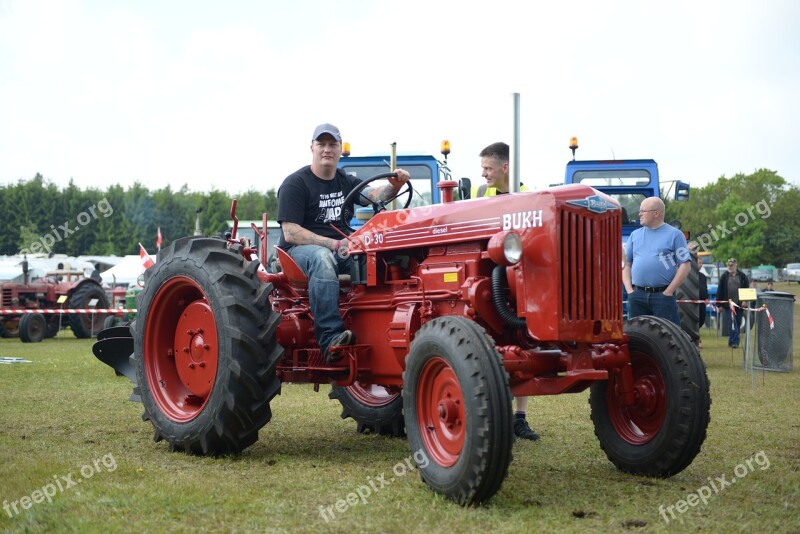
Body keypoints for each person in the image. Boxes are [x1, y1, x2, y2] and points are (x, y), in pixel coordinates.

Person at [276, 123, 410, 363]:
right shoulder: (295, 184)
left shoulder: (344, 180)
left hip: (341, 248)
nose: (327, 149)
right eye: (322, 144)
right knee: (322, 258)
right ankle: (330, 339)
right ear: (312, 148)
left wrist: (394, 185)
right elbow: (291, 232)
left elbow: (373, 195)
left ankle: (384, 330)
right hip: (297, 253)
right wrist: (333, 244)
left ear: (339, 149)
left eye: (332, 144)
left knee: (381, 260)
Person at [473, 142, 537, 442]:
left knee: (519, 340)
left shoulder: (527, 196)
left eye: (488, 168)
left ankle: (519, 419)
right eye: (483, 167)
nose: (483, 173)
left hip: (514, 279)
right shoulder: (479, 194)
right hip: (486, 276)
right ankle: (492, 412)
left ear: (505, 168)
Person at [623, 197, 691, 326]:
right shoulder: (634, 235)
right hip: (637, 296)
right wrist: (629, 290)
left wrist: (669, 291)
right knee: (636, 336)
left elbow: (685, 265)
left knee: (668, 339)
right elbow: (626, 264)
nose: (639, 214)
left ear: (656, 213)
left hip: (663, 297)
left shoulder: (675, 235)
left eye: (643, 211)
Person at [716, 258, 749, 349]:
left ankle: (731, 341)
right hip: (728, 305)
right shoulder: (724, 276)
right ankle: (735, 343)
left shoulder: (742, 276)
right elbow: (720, 290)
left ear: (735, 265)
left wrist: (745, 300)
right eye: (729, 265)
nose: (730, 267)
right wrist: (719, 305)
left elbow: (746, 288)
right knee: (732, 323)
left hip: (739, 305)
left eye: (732, 265)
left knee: (737, 323)